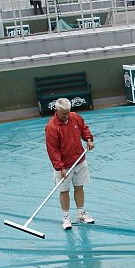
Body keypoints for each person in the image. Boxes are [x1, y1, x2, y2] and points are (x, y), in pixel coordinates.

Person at [45, 97, 95, 230]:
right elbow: (52, 150)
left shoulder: (74, 117)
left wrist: (89, 139)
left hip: (79, 160)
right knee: (64, 191)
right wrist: (60, 168)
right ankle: (66, 217)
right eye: (64, 113)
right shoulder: (52, 127)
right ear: (56, 111)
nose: (67, 115)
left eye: (68, 112)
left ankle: (80, 214)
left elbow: (84, 129)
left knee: (79, 187)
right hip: (63, 166)